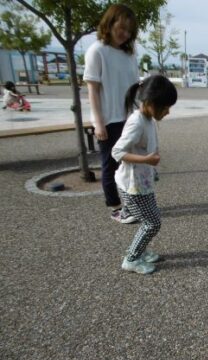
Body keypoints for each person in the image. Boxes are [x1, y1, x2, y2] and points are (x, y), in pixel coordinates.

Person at [111, 75, 178, 274]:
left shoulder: (147, 118)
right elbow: (117, 152)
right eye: (165, 106)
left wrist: (151, 169)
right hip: (132, 186)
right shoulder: (137, 122)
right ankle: (131, 258)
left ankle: (140, 250)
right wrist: (147, 161)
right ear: (149, 103)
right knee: (152, 222)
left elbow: (144, 147)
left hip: (142, 183)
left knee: (150, 220)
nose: (168, 112)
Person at [83, 4, 140, 224]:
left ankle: (132, 202)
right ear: (110, 23)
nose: (125, 33)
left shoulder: (130, 54)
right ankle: (115, 207)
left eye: (129, 30)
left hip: (129, 118)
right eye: (122, 27)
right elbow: (93, 90)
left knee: (131, 164)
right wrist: (99, 123)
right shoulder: (97, 50)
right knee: (111, 164)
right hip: (108, 119)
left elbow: (135, 88)